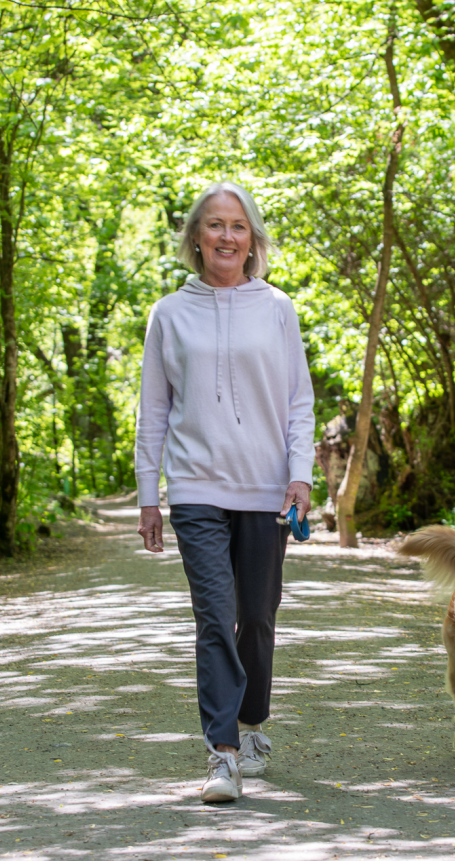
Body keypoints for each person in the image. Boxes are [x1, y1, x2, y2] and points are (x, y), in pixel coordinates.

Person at [134, 181, 315, 803]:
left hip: (267, 490)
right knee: (215, 615)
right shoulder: (169, 313)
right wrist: (148, 495)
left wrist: (301, 475)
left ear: (253, 239)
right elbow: (153, 410)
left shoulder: (278, 309)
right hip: (195, 487)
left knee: (257, 619)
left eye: (237, 226)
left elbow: (299, 404)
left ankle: (253, 720)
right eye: (214, 225)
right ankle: (223, 754)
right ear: (195, 238)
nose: (226, 237)